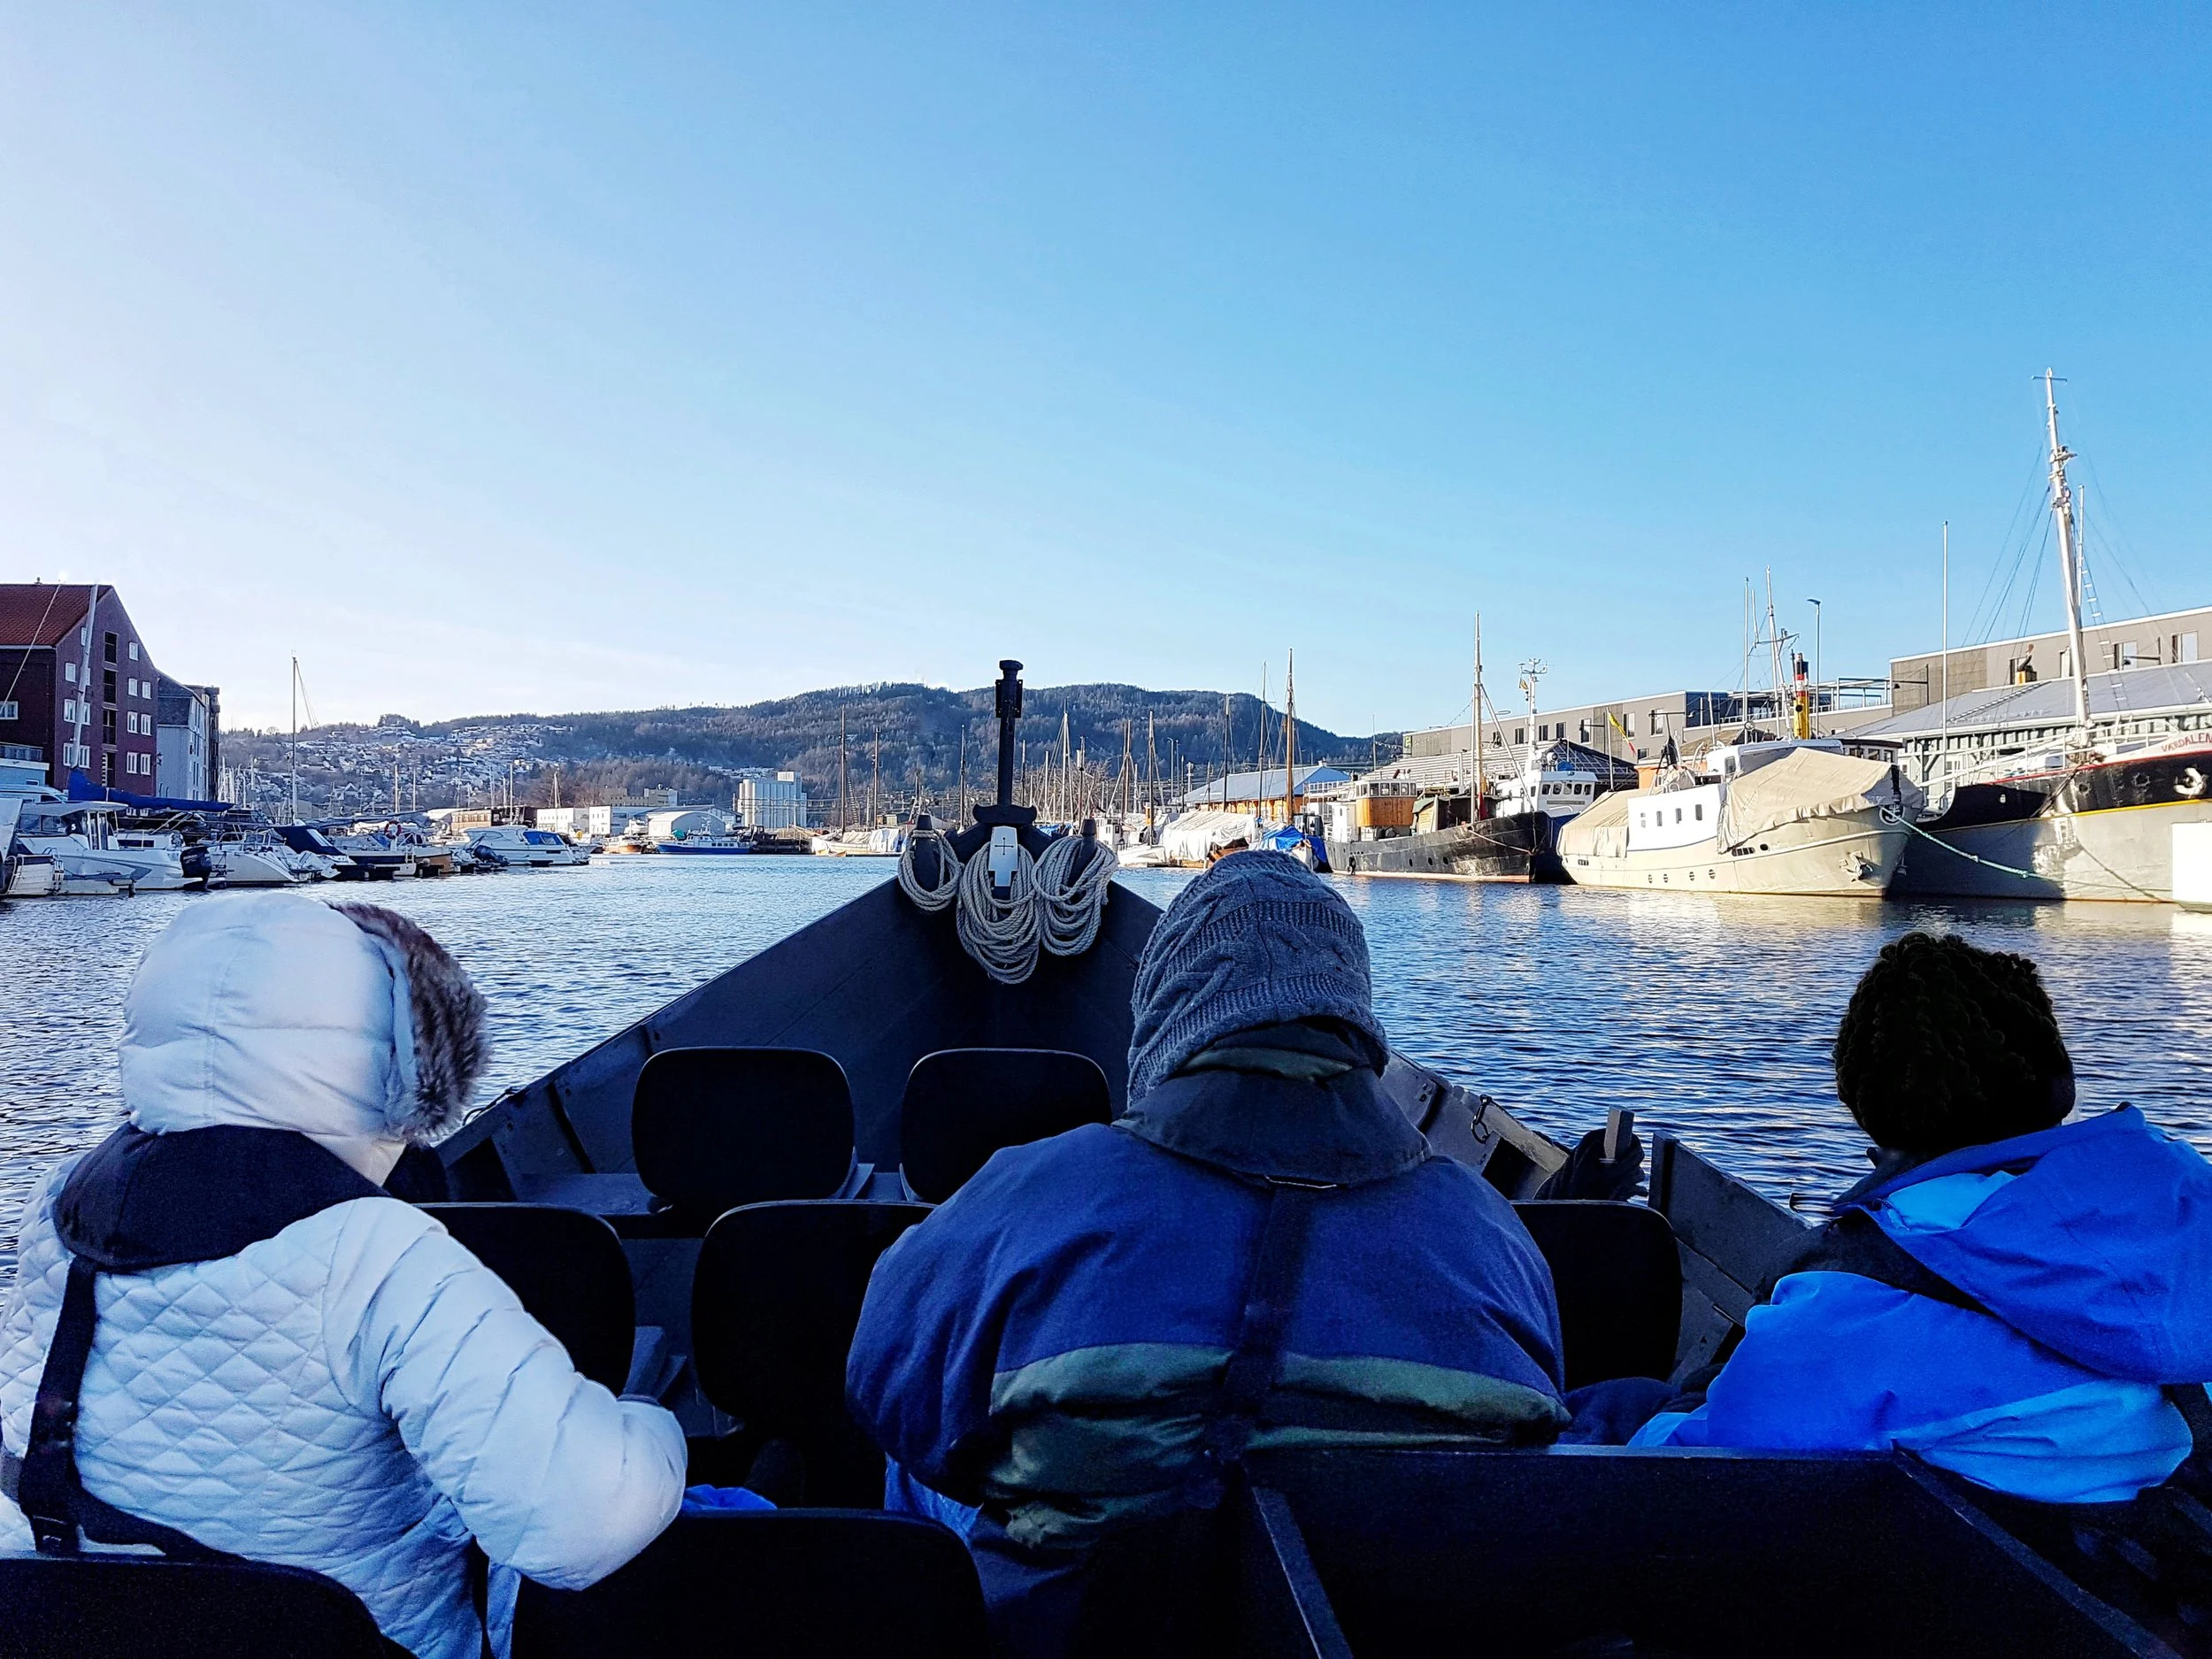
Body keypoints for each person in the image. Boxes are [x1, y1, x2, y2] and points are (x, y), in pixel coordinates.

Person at [848, 850, 1567, 1653]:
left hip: (1067, 1630)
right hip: (1382, 1629)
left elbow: (885, 1386)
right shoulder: (1494, 1233)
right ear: (1356, 1017)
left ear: (1168, 1010)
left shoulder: (1034, 1191)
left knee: (914, 1464)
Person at [0, 894, 686, 1659]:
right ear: (387, 1056)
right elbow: (581, 1525)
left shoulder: (58, 1206)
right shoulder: (383, 1258)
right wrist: (650, 1423)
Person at [1634, 930, 2212, 1504]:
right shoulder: (2189, 1203)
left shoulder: (1857, 1299)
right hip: (2159, 1540)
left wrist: (1681, 1400)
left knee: (1624, 1401)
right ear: (2058, 1082)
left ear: (1864, 1104)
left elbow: (1682, 1470)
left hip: (1976, 1559)